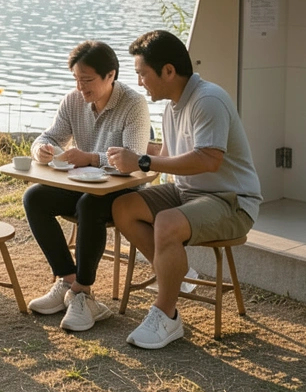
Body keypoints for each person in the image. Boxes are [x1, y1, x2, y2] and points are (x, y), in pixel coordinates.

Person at [107, 30, 261, 349]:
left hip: (231, 201)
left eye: (142, 74)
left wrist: (143, 161)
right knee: (123, 207)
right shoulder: (174, 105)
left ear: (168, 71)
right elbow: (168, 155)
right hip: (189, 193)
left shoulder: (208, 99)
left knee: (166, 222)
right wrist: (129, 154)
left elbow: (208, 159)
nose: (139, 83)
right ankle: (174, 272)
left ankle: (167, 316)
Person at [22, 40, 151, 332]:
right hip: (84, 184)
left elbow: (132, 159)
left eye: (88, 80)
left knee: (88, 205)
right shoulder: (73, 100)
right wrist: (41, 149)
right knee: (34, 198)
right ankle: (67, 281)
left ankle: (83, 294)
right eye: (77, 80)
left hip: (122, 190)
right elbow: (49, 136)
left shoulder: (134, 105)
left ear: (111, 75)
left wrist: (91, 158)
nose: (81, 88)